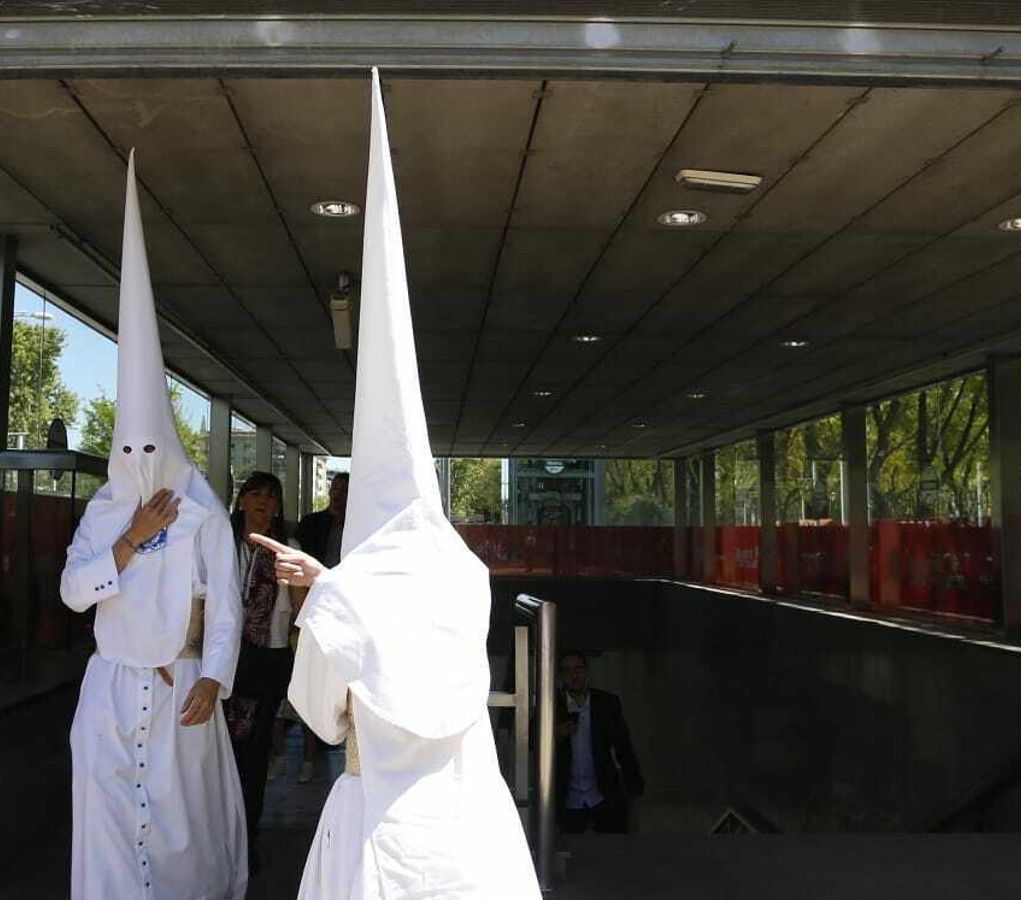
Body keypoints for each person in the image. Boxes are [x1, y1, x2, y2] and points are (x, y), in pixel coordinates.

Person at [250, 69, 539, 900]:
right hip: (470, 826)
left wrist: (328, 594)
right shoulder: (465, 572)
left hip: (380, 828)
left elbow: (319, 713)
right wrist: (336, 590)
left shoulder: (349, 594)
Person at [59, 152, 247, 900]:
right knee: (108, 836)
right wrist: (130, 540)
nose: (138, 458)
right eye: (126, 448)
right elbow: (77, 593)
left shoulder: (203, 512)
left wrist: (216, 676)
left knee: (179, 838)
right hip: (109, 693)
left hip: (178, 693)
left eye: (150, 447)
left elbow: (225, 604)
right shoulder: (105, 513)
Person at [224, 471, 304, 871]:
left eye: (271, 497)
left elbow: (302, 609)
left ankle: (246, 842)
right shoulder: (221, 543)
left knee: (252, 758)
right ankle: (218, 841)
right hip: (222, 661)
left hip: (266, 661)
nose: (262, 502)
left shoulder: (287, 547)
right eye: (254, 494)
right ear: (240, 500)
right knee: (220, 755)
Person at [270, 471, 349, 783]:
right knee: (293, 690)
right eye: (336, 488)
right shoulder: (312, 524)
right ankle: (284, 757)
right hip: (306, 612)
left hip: (341, 612)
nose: (339, 494)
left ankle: (312, 755)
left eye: (345, 489)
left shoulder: (358, 526)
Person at [557, 652, 644, 834]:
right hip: (565, 795)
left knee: (611, 849)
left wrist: (633, 784)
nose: (574, 675)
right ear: (561, 676)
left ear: (586, 672)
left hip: (602, 792)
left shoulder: (606, 703)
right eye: (568, 670)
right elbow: (531, 741)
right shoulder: (552, 705)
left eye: (578, 669)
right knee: (570, 853)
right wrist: (554, 735)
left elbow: (623, 745)